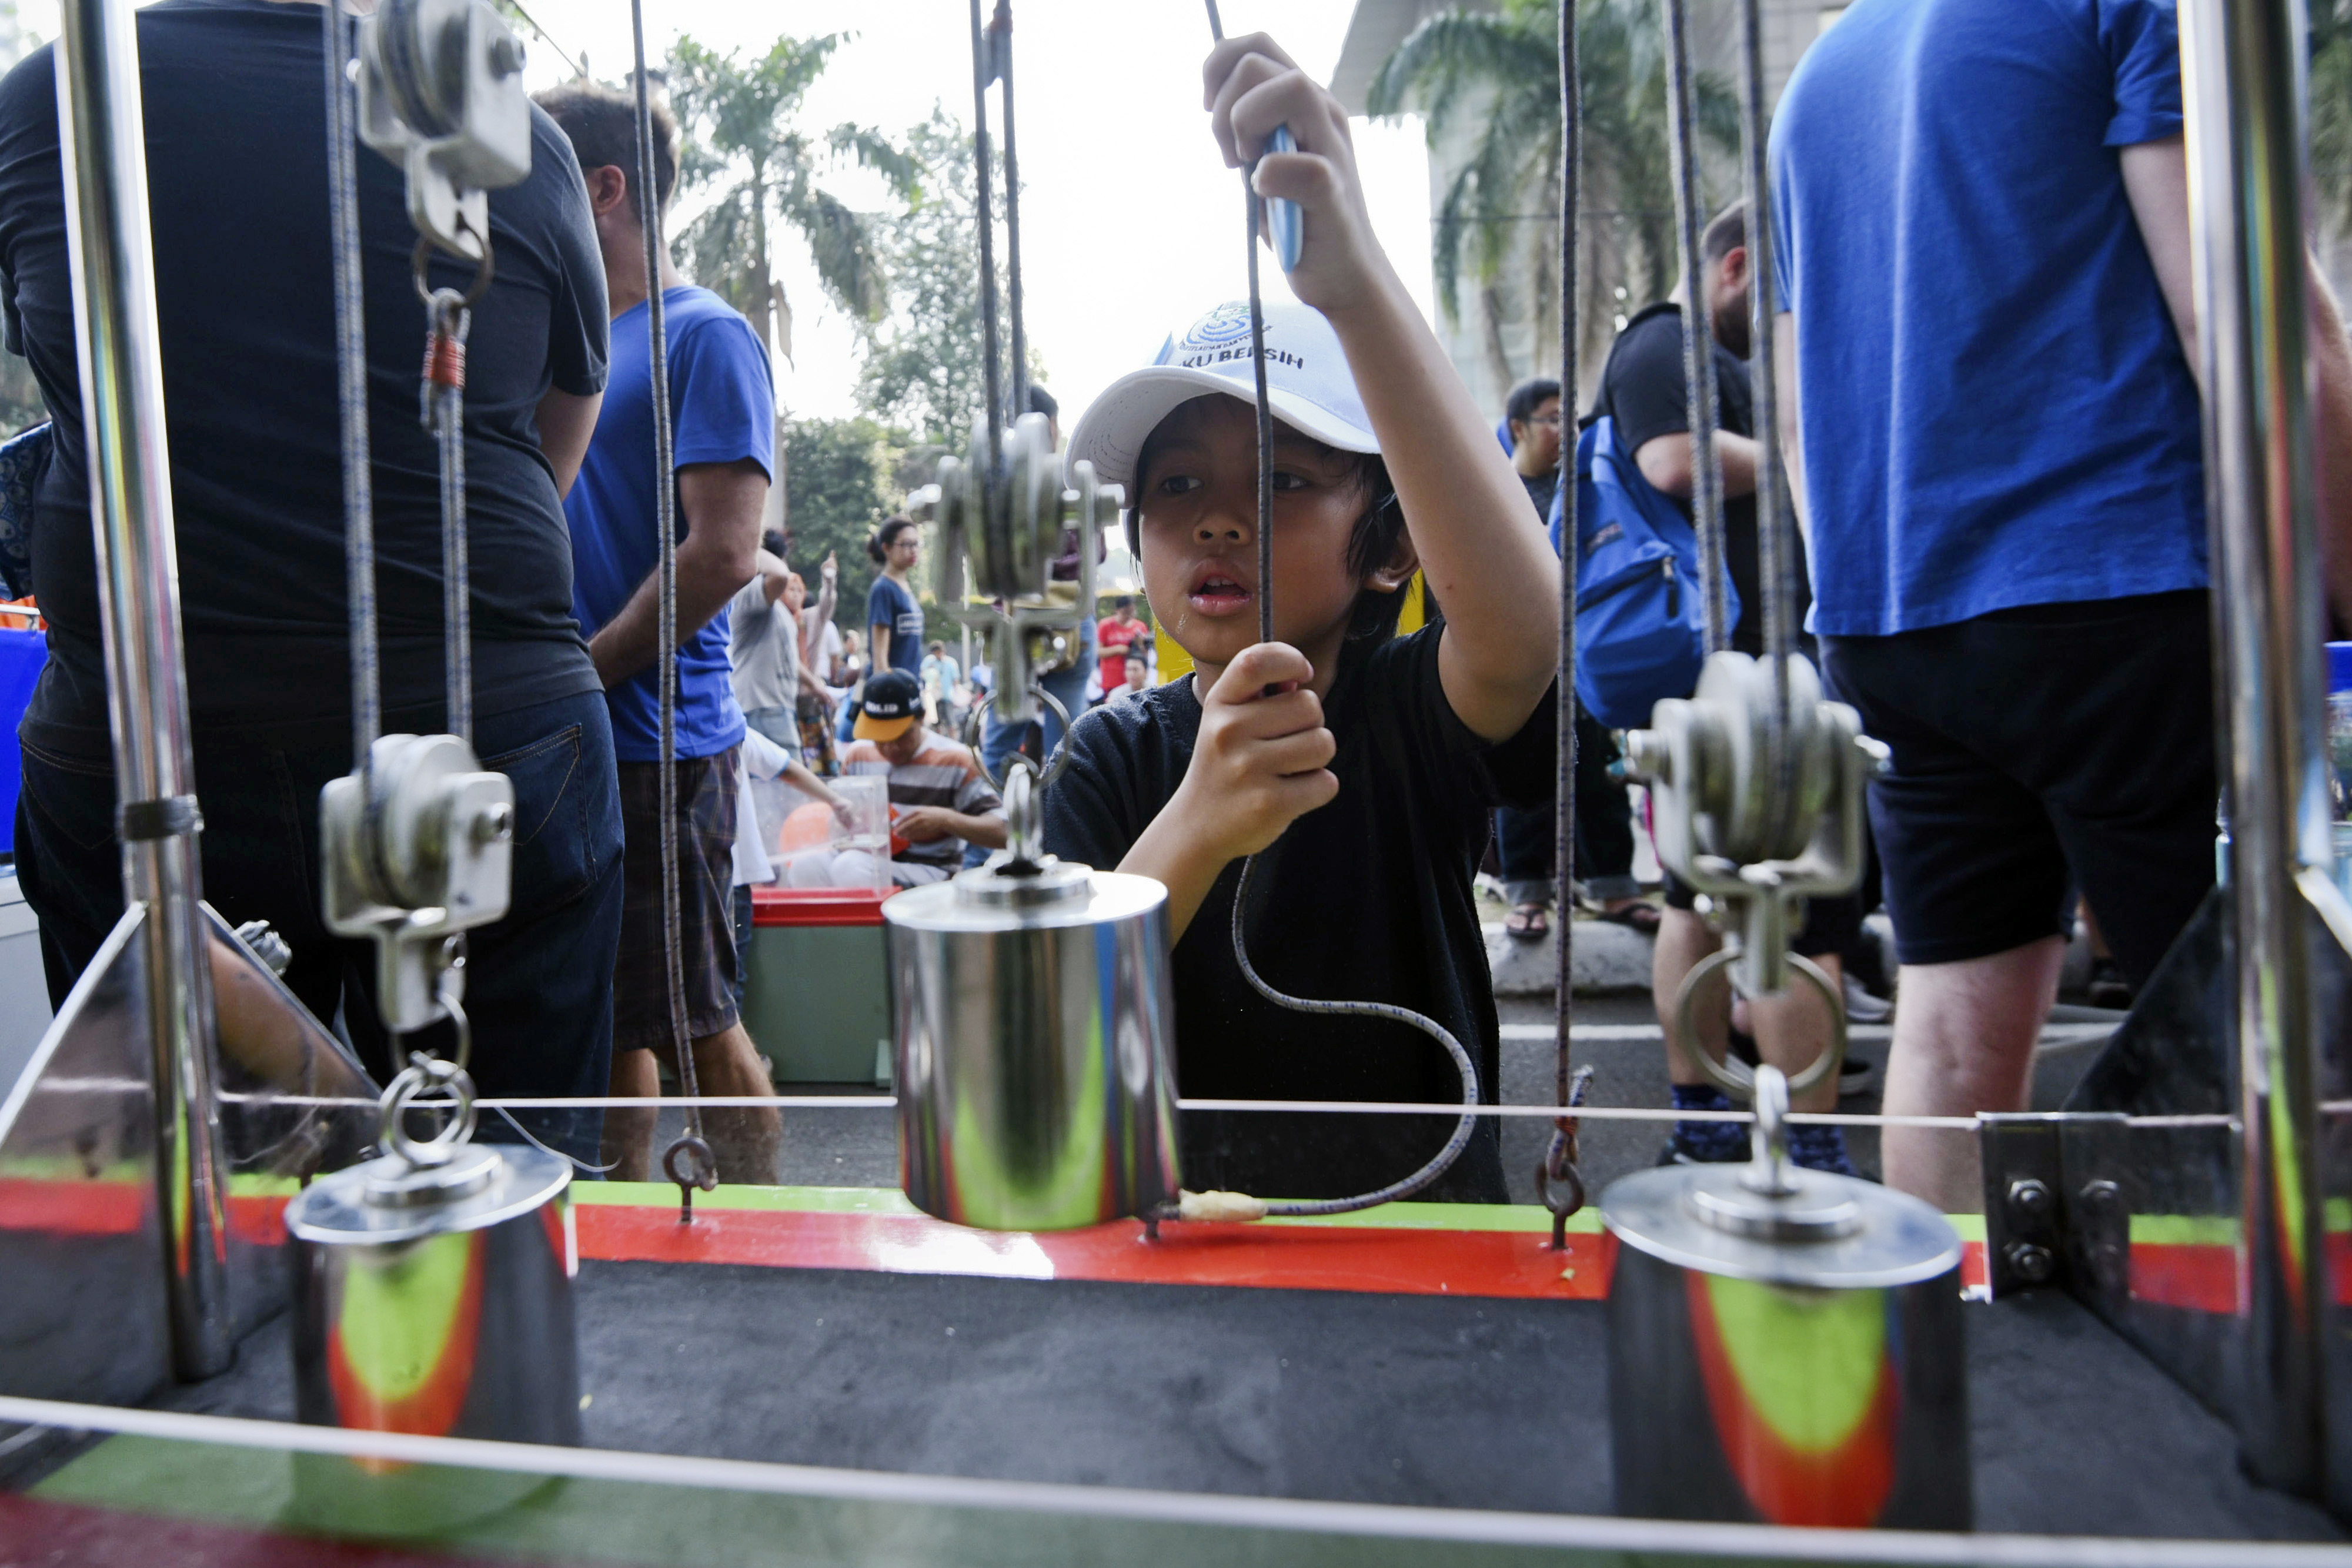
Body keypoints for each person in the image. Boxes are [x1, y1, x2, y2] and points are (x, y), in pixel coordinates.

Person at [1, 1, 620, 1157]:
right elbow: (557, 430)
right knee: (506, 1186)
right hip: (489, 726)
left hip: (159, 737)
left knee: (188, 1206)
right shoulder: (512, 131)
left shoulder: (49, 100)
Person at [1770, 0, 2352, 1206]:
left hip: (1895, 617)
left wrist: (1859, 597)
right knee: (2274, 1033)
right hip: (2120, 586)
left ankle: (1951, 1347)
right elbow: (2248, 324)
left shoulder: (1826, 67)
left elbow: (1790, 412)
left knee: (1947, 1014)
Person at [1044, 34, 1559, 1204]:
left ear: (1385, 544)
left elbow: (1522, 632)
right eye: (1176, 484)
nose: (1216, 520)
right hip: (1178, 1233)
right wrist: (1194, 826)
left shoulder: (1408, 710)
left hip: (1420, 1241)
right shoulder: (1114, 752)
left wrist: (1353, 281)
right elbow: (1054, 1022)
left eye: (1279, 478)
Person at [537, 81, 780, 1187]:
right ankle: (627, 1235)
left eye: (537, 181)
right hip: (587, 732)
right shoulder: (579, 344)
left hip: (659, 744)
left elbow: (726, 552)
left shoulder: (706, 334)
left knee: (696, 1021)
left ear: (602, 187)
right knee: (622, 1023)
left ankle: (787, 1245)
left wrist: (580, 673)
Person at [1589, 200, 1859, 1174]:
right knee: (1792, 903)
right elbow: (1672, 462)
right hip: (1741, 671)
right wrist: (1809, 450)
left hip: (1747, 662)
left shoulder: (1710, 357)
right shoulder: (1663, 346)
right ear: (1735, 268)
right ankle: (1800, 1145)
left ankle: (1713, 1112)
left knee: (1701, 896)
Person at [1494, 373, 1648, 943]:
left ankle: (1614, 888)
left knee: (1600, 772)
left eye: (1574, 420)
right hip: (1520, 660)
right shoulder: (1493, 498)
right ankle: (1527, 895)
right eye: (1555, 419)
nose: (1569, 431)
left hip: (1587, 656)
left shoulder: (1582, 491)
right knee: (1521, 776)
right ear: (1518, 428)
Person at [836, 670, 1005, 886]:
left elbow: (1004, 832)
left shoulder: (956, 760)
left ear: (922, 717)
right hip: (867, 859)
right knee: (809, 864)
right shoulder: (857, 756)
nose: (891, 747)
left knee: (849, 867)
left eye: (902, 736)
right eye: (880, 737)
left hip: (929, 872)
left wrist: (946, 820)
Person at [729, 529, 833, 763]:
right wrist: (751, 543)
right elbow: (780, 576)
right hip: (762, 707)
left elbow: (790, 660)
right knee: (791, 789)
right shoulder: (749, 592)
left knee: (783, 788)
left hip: (776, 706)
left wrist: (815, 685)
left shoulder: (778, 611)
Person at [865, 516, 924, 678]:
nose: (913, 550)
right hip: (892, 692)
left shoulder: (906, 588)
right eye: (906, 544)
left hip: (910, 688)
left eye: (916, 544)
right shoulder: (883, 589)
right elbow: (880, 661)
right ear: (887, 548)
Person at [1097, 596, 1148, 697]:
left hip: (1134, 678)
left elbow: (1145, 655)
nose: (1129, 616)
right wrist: (1118, 650)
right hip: (1112, 677)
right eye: (1125, 612)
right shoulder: (1105, 625)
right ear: (1117, 610)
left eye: (1132, 612)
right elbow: (1098, 652)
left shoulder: (1140, 627)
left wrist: (1141, 644)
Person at [919, 638, 962, 729]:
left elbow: (956, 680)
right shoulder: (929, 661)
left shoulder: (951, 663)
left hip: (947, 696)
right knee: (936, 723)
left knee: (951, 722)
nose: (938, 655)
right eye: (936, 653)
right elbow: (922, 674)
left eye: (940, 652)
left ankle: (952, 741)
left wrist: (957, 693)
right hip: (934, 696)